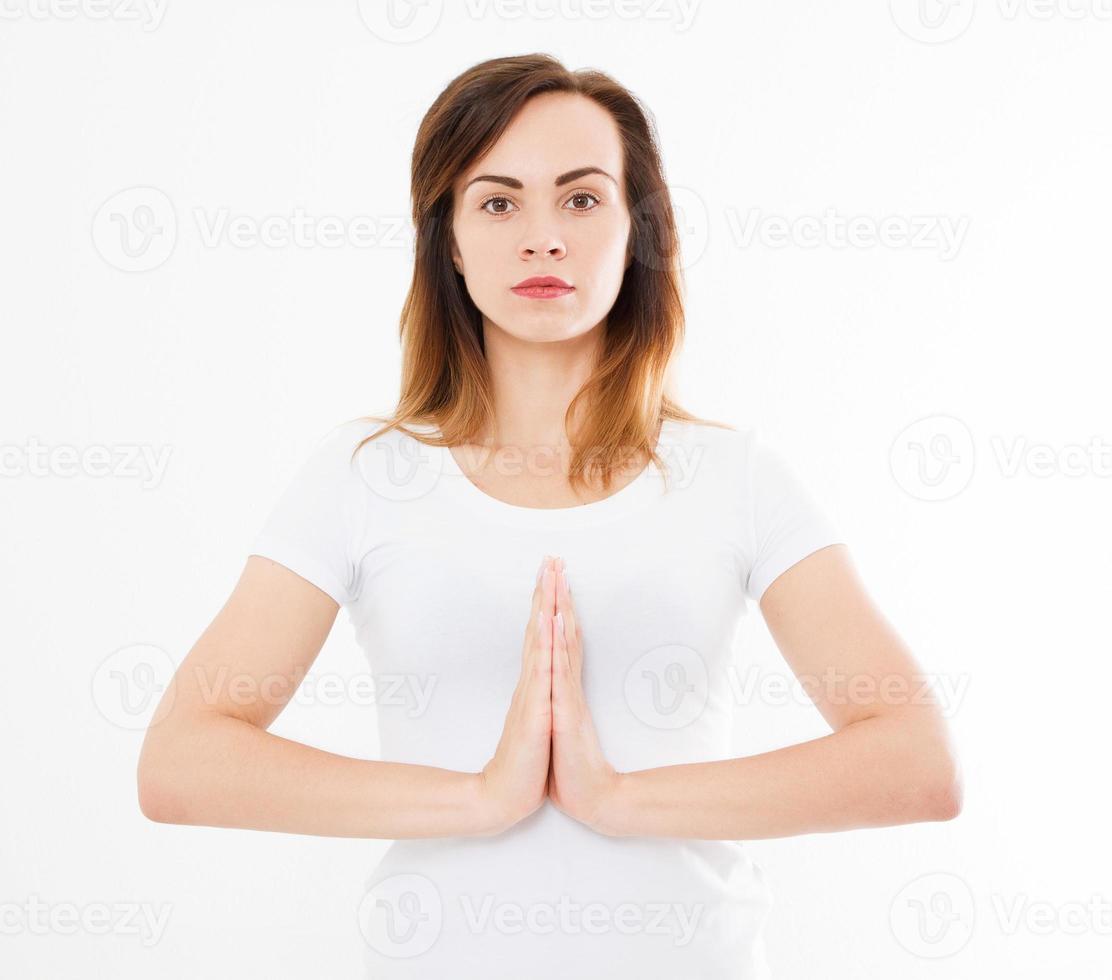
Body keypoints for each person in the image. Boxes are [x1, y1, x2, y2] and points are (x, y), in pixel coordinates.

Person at [136, 53, 962, 979]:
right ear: (447, 238)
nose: (543, 239)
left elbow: (916, 761)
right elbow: (181, 760)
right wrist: (482, 798)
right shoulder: (366, 477)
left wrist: (617, 799)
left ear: (637, 229)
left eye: (580, 199)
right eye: (498, 202)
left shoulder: (737, 477)